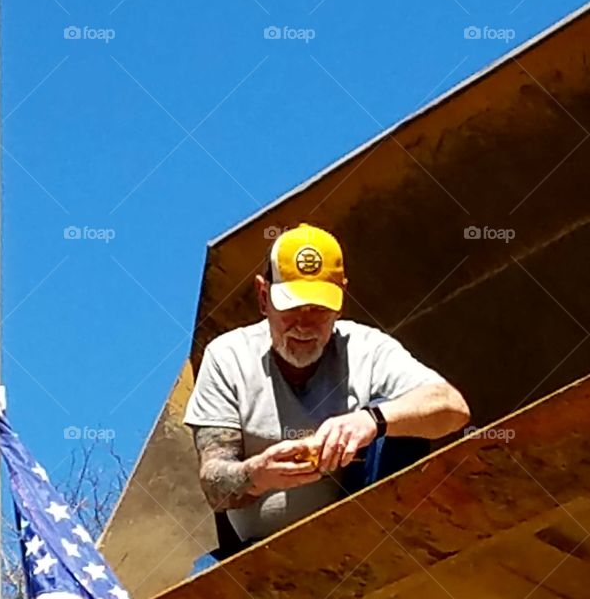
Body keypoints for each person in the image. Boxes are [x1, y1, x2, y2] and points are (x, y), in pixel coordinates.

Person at [183, 222, 470, 554]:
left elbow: (453, 407)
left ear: (340, 300)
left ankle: (382, 552)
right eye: (291, 307)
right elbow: (213, 484)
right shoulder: (228, 357)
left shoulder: (367, 348)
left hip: (359, 540)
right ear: (264, 298)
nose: (304, 324)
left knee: (399, 416)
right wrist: (259, 474)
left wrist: (371, 420)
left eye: (318, 308)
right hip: (253, 552)